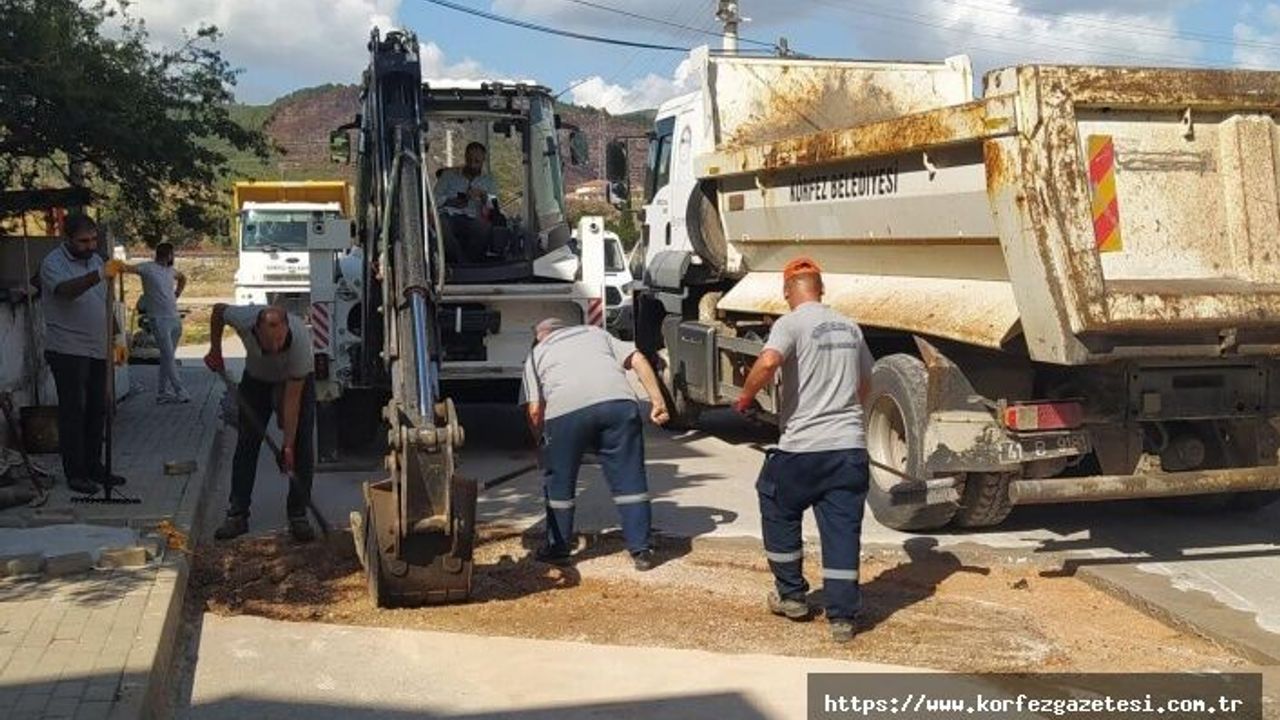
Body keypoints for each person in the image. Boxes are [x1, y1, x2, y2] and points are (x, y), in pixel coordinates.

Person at [733, 257, 874, 644]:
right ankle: (843, 618)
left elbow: (769, 360)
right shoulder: (850, 327)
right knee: (842, 529)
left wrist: (746, 397)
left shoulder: (790, 323)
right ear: (822, 289)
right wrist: (851, 418)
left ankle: (791, 595)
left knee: (776, 501)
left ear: (786, 293)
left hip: (802, 448)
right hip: (848, 449)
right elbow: (866, 380)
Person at [519, 318, 670, 570]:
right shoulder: (596, 333)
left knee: (560, 483)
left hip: (565, 414)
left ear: (540, 336)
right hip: (618, 406)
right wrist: (658, 402)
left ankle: (558, 549)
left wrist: (541, 443)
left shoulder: (536, 354)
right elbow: (638, 359)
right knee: (630, 479)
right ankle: (642, 551)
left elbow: (535, 411)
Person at [204, 304, 317, 542]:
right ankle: (237, 514)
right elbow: (217, 311)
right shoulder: (244, 318)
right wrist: (216, 350)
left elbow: (292, 404)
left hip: (293, 383)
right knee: (247, 443)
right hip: (256, 380)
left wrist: (287, 446)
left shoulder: (300, 347)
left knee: (301, 447)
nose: (276, 348)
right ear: (255, 330)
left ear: (287, 328)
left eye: (280, 341)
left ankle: (298, 515)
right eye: (269, 342)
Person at [39, 215, 129, 495]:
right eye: (83, 241)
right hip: (67, 349)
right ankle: (75, 474)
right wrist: (99, 274)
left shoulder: (96, 259)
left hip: (98, 346)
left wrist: (117, 337)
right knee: (73, 412)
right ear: (68, 239)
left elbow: (106, 301)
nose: (90, 246)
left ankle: (94, 466)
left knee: (97, 409)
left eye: (93, 240)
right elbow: (66, 292)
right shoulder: (53, 263)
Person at [119, 242, 189, 403]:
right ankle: (180, 390)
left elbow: (183, 278)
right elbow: (128, 268)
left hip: (174, 318)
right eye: (170, 254)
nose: (170, 257)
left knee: (167, 357)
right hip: (158, 319)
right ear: (168, 255)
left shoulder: (170, 271)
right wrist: (116, 265)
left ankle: (162, 392)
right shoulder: (147, 268)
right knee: (168, 356)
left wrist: (177, 293)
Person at [435, 141, 499, 262]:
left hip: (474, 217)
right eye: (469, 160)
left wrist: (483, 195)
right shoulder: (448, 176)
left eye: (477, 161)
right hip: (449, 216)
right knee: (441, 226)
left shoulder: (489, 181)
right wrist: (449, 201)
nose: (473, 165)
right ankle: (458, 261)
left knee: (485, 228)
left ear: (483, 161)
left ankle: (472, 262)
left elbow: (495, 206)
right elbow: (433, 200)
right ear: (465, 157)